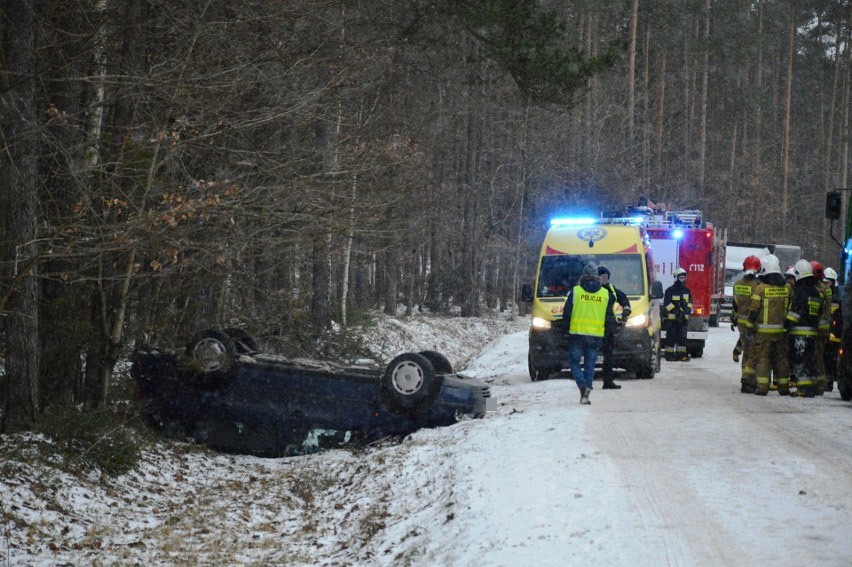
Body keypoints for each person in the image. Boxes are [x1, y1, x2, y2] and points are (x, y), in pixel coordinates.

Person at [563, 262, 616, 405]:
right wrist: (609, 333)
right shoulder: (605, 294)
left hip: (577, 334)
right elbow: (609, 317)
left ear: (584, 275)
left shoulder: (576, 292)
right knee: (590, 365)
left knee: (574, 363)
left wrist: (564, 331)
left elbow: (566, 314)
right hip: (595, 336)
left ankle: (582, 385)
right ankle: (586, 394)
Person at [748, 255, 791, 395]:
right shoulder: (787, 288)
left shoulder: (760, 289)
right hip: (782, 333)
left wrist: (749, 326)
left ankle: (762, 387)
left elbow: (753, 311)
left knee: (763, 360)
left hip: (764, 334)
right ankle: (783, 388)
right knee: (781, 360)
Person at [785, 260, 826, 397]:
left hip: (799, 333)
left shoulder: (800, 290)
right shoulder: (815, 292)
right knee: (810, 361)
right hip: (812, 333)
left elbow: (796, 310)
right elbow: (819, 313)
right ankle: (811, 388)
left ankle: (803, 389)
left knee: (800, 361)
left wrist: (787, 323)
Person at [598, 265, 632, 390]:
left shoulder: (611, 288)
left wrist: (626, 309)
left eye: (606, 277)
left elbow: (623, 298)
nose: (604, 279)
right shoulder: (592, 289)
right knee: (590, 355)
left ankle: (608, 381)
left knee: (608, 355)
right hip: (593, 326)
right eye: (601, 277)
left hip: (608, 327)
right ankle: (585, 382)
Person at [731, 255, 762, 392]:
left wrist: (734, 318)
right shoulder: (757, 286)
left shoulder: (737, 284)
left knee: (746, 350)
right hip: (752, 323)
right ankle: (749, 380)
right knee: (752, 353)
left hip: (741, 322)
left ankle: (745, 376)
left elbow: (735, 304)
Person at [663, 267, 693, 361]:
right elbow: (667, 304)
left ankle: (682, 356)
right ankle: (670, 356)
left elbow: (690, 303)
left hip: (683, 319)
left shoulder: (687, 291)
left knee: (682, 338)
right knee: (670, 338)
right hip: (672, 320)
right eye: (680, 278)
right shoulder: (670, 290)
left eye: (683, 278)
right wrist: (676, 311)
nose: (682, 280)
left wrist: (686, 310)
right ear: (676, 278)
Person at [811, 261, 830, 395]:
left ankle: (818, 385)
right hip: (824, 328)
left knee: (816, 356)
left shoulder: (818, 289)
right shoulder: (826, 288)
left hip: (818, 328)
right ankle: (820, 383)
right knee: (820, 356)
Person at [824, 267, 841, 392]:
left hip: (834, 334)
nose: (827, 285)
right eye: (825, 282)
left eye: (828, 282)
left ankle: (830, 381)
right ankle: (828, 382)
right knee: (826, 359)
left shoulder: (837, 296)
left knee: (830, 359)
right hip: (827, 331)